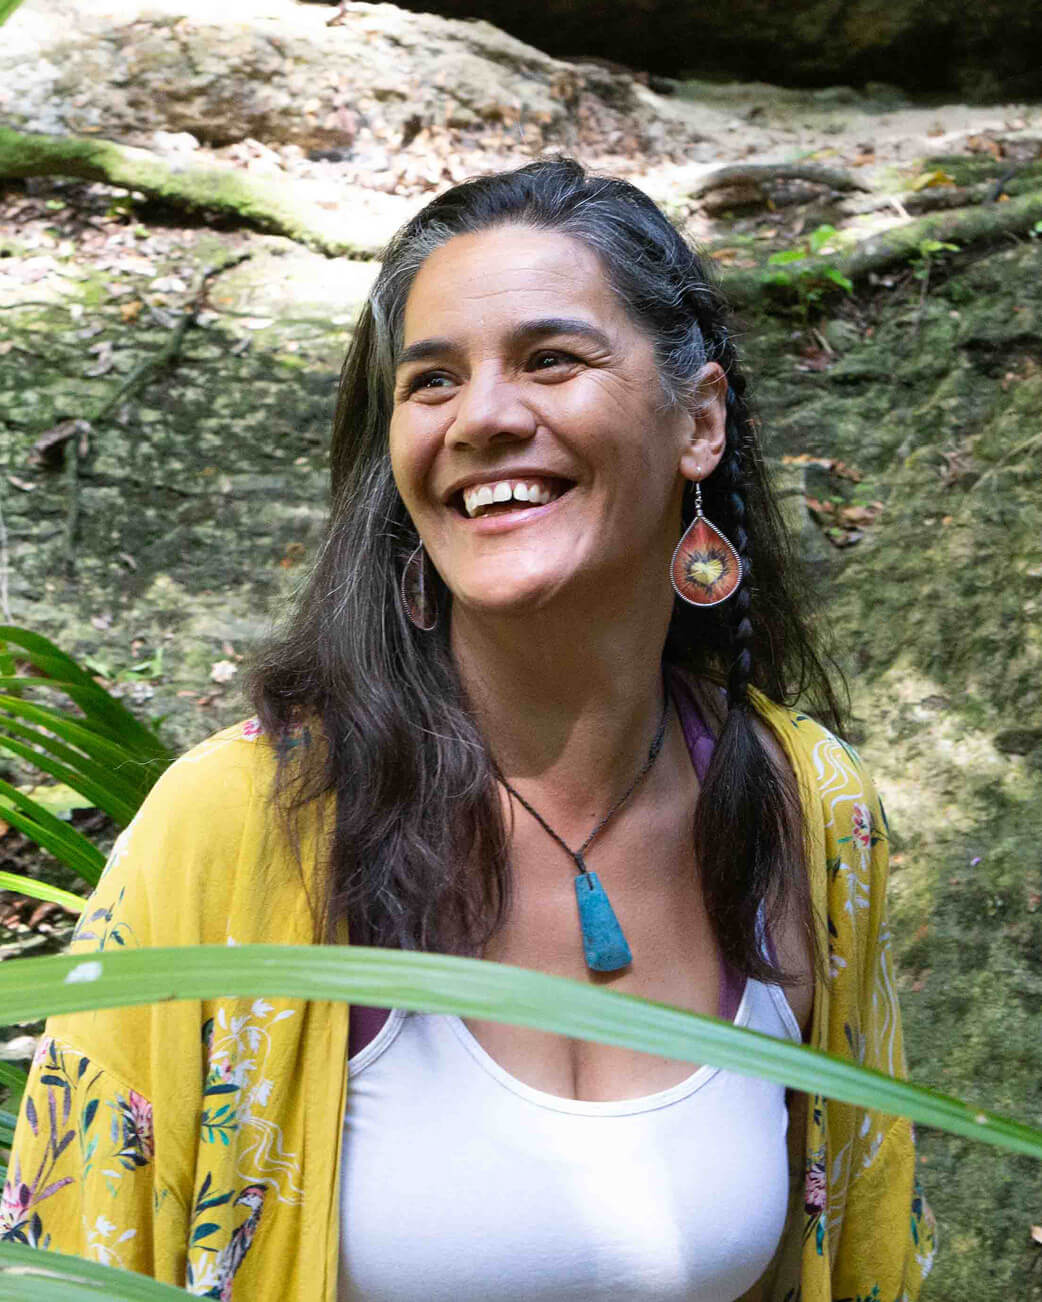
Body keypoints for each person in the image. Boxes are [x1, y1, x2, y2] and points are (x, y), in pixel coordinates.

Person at [2, 159, 935, 1300]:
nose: (485, 416)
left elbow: (866, 1248)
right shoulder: (244, 826)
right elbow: (71, 1259)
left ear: (699, 420)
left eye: (549, 358)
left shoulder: (805, 808)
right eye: (431, 380)